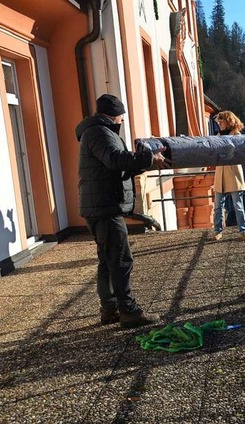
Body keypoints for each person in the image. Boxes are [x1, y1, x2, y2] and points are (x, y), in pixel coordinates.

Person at [75, 94, 170, 328]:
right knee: (120, 260)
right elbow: (115, 160)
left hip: (102, 205)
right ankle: (128, 311)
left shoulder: (99, 132)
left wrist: (141, 164)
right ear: (115, 115)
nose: (122, 121)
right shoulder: (99, 132)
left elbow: (114, 168)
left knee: (108, 261)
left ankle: (110, 309)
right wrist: (148, 156)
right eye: (122, 117)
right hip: (105, 208)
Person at [213, 111, 245, 241]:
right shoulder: (217, 136)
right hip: (220, 173)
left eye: (221, 121)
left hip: (233, 172)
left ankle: (243, 231)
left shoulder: (237, 135)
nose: (219, 124)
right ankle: (218, 231)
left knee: (238, 205)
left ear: (228, 122)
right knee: (218, 206)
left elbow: (239, 153)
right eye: (218, 122)